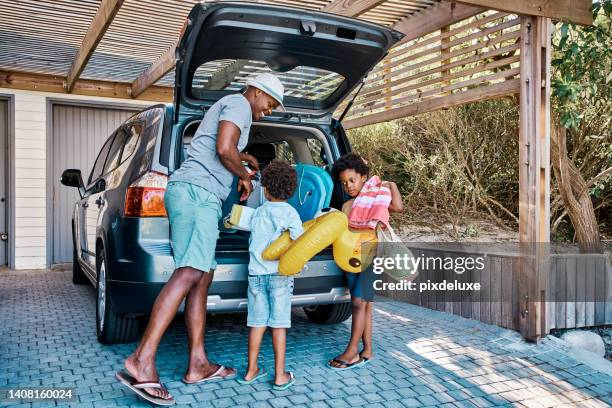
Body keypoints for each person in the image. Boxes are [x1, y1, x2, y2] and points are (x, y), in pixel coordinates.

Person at [116, 73, 286, 406]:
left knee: (201, 278)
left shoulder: (233, 107)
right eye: (269, 104)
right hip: (198, 196)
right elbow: (224, 148)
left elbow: (226, 148)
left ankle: (197, 364)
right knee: (190, 273)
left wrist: (245, 160)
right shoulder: (238, 102)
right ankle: (142, 358)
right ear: (256, 91)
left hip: (193, 195)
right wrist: (245, 178)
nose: (267, 112)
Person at [328, 153, 403, 370]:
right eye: (344, 182)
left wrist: (392, 185)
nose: (349, 186)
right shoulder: (347, 205)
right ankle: (367, 351)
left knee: (358, 303)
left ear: (363, 177)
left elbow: (397, 207)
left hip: (372, 255)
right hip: (351, 257)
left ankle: (352, 352)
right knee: (365, 305)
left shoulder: (377, 199)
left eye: (352, 180)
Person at [236, 160, 303, 391]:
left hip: (255, 274)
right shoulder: (291, 213)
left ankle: (251, 370)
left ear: (265, 189)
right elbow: (299, 242)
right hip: (279, 276)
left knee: (256, 323)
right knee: (278, 325)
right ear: (291, 190)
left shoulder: (259, 212)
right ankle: (279, 375)